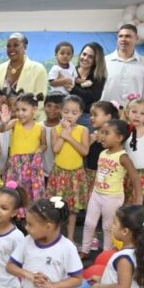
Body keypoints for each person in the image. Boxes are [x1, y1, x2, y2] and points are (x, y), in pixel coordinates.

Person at [81, 120, 141, 258]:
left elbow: (135, 177)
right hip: (97, 194)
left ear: (119, 138)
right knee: (89, 223)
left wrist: (139, 197)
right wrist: (91, 190)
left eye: (106, 133)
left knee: (108, 227)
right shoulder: (103, 153)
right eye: (101, 132)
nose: (101, 136)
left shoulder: (123, 157)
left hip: (112, 197)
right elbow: (98, 173)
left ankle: (107, 253)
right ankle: (85, 250)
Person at [48, 95, 90, 242]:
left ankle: (71, 237)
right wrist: (63, 134)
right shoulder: (55, 129)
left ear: (80, 113)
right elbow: (56, 149)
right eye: (66, 111)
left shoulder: (83, 130)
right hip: (59, 173)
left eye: (74, 112)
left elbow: (85, 152)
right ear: (61, 111)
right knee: (56, 205)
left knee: (73, 209)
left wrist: (70, 137)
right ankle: (55, 235)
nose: (69, 115)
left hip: (76, 173)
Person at [0, 92, 47, 203]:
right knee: (15, 191)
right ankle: (15, 214)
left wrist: (39, 150)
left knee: (29, 191)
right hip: (15, 165)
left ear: (34, 109)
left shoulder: (40, 128)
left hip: (31, 165)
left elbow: (44, 144)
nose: (20, 113)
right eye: (17, 110)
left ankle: (27, 215)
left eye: (24, 110)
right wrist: (3, 122)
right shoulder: (15, 123)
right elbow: (2, 129)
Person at [101, 24, 144, 106]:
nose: (123, 39)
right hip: (108, 113)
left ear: (136, 38)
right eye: (120, 36)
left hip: (133, 114)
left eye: (128, 36)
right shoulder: (104, 61)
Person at [0, 33, 48, 98]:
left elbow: (40, 99)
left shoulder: (38, 69)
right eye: (8, 46)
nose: (11, 49)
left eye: (16, 45)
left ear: (25, 46)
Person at [85, 101, 119, 197]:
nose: (92, 118)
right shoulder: (91, 135)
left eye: (95, 115)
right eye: (91, 115)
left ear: (108, 117)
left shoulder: (113, 137)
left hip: (105, 175)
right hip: (90, 173)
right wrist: (90, 142)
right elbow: (83, 153)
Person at [69, 43, 108, 124]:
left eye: (91, 57)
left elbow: (93, 97)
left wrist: (72, 88)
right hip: (66, 116)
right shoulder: (70, 72)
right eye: (84, 54)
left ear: (96, 60)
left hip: (86, 117)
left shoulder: (98, 77)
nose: (85, 58)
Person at [41, 94, 64, 177]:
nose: (52, 109)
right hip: (41, 172)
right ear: (44, 107)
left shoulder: (65, 128)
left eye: (57, 107)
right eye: (49, 105)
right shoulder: (38, 126)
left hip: (58, 173)